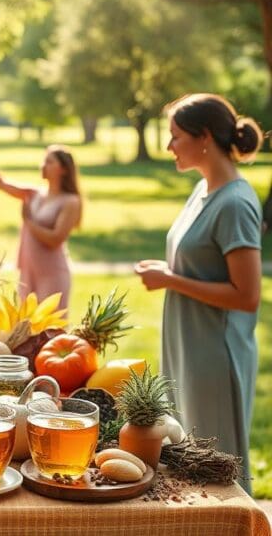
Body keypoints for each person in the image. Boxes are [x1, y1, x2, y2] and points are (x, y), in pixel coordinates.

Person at [134, 93, 263, 495]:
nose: (168, 146)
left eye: (175, 136)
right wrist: (169, 272)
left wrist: (170, 280)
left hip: (214, 356)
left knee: (215, 466)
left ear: (204, 136)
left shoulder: (236, 203)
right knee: (188, 459)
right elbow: (199, 260)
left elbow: (247, 296)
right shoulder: (202, 191)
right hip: (187, 344)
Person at [0, 135, 81, 310]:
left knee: (50, 332)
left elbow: (55, 239)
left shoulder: (70, 201)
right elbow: (1, 184)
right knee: (23, 331)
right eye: (44, 160)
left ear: (64, 169)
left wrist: (29, 222)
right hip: (27, 273)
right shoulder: (34, 194)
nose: (43, 165)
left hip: (52, 274)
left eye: (50, 162)